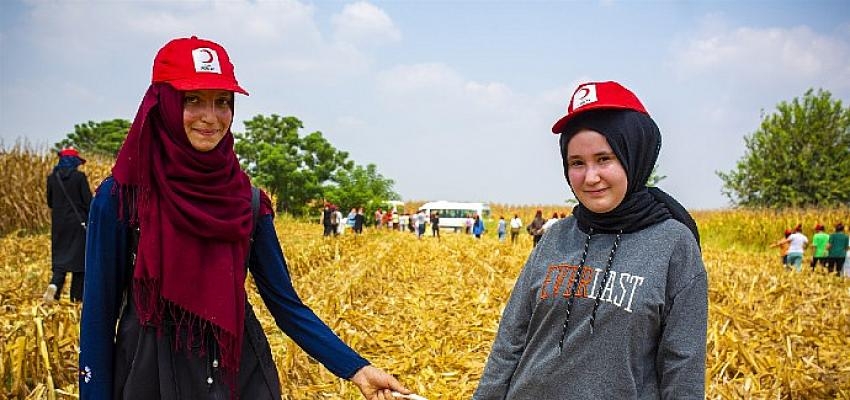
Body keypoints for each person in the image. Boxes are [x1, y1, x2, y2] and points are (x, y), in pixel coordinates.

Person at [78, 36, 410, 400]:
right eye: (193, 100)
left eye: (223, 102)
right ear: (164, 105)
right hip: (150, 377)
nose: (211, 117)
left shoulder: (248, 202)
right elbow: (97, 317)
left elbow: (286, 304)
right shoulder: (121, 199)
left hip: (238, 377)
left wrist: (356, 368)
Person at [474, 81, 707, 399]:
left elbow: (683, 368)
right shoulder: (556, 238)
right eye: (577, 163)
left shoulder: (673, 245)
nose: (590, 177)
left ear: (634, 154)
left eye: (604, 159)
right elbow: (510, 341)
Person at [44, 147, 92, 303]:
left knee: (60, 260)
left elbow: (50, 202)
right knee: (79, 264)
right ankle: (76, 299)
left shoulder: (52, 178)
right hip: (78, 225)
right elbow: (88, 202)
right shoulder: (79, 177)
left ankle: (54, 286)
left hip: (59, 225)